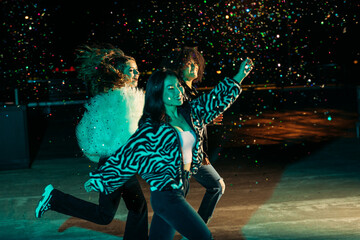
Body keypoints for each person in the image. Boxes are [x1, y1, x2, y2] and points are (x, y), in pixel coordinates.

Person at [84, 58, 254, 240]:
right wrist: (101, 179)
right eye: (170, 89)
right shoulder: (152, 128)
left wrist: (240, 75)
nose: (179, 91)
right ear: (159, 94)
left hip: (182, 187)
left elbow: (215, 100)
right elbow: (128, 155)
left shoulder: (190, 112)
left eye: (179, 86)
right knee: (204, 236)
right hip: (166, 195)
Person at [35, 44, 148, 240]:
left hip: (117, 162)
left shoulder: (120, 96)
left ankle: (55, 199)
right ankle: (55, 199)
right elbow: (127, 135)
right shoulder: (119, 98)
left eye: (137, 69)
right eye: (131, 70)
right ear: (119, 73)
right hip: (115, 163)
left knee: (133, 209)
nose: (137, 73)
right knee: (115, 213)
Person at [160, 47, 226, 224]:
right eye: (188, 64)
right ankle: (196, 229)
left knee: (213, 187)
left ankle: (195, 229)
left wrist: (207, 119)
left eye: (196, 63)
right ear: (179, 67)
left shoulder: (192, 93)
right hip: (180, 155)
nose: (194, 67)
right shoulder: (178, 92)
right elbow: (181, 121)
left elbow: (193, 121)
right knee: (211, 187)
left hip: (192, 154)